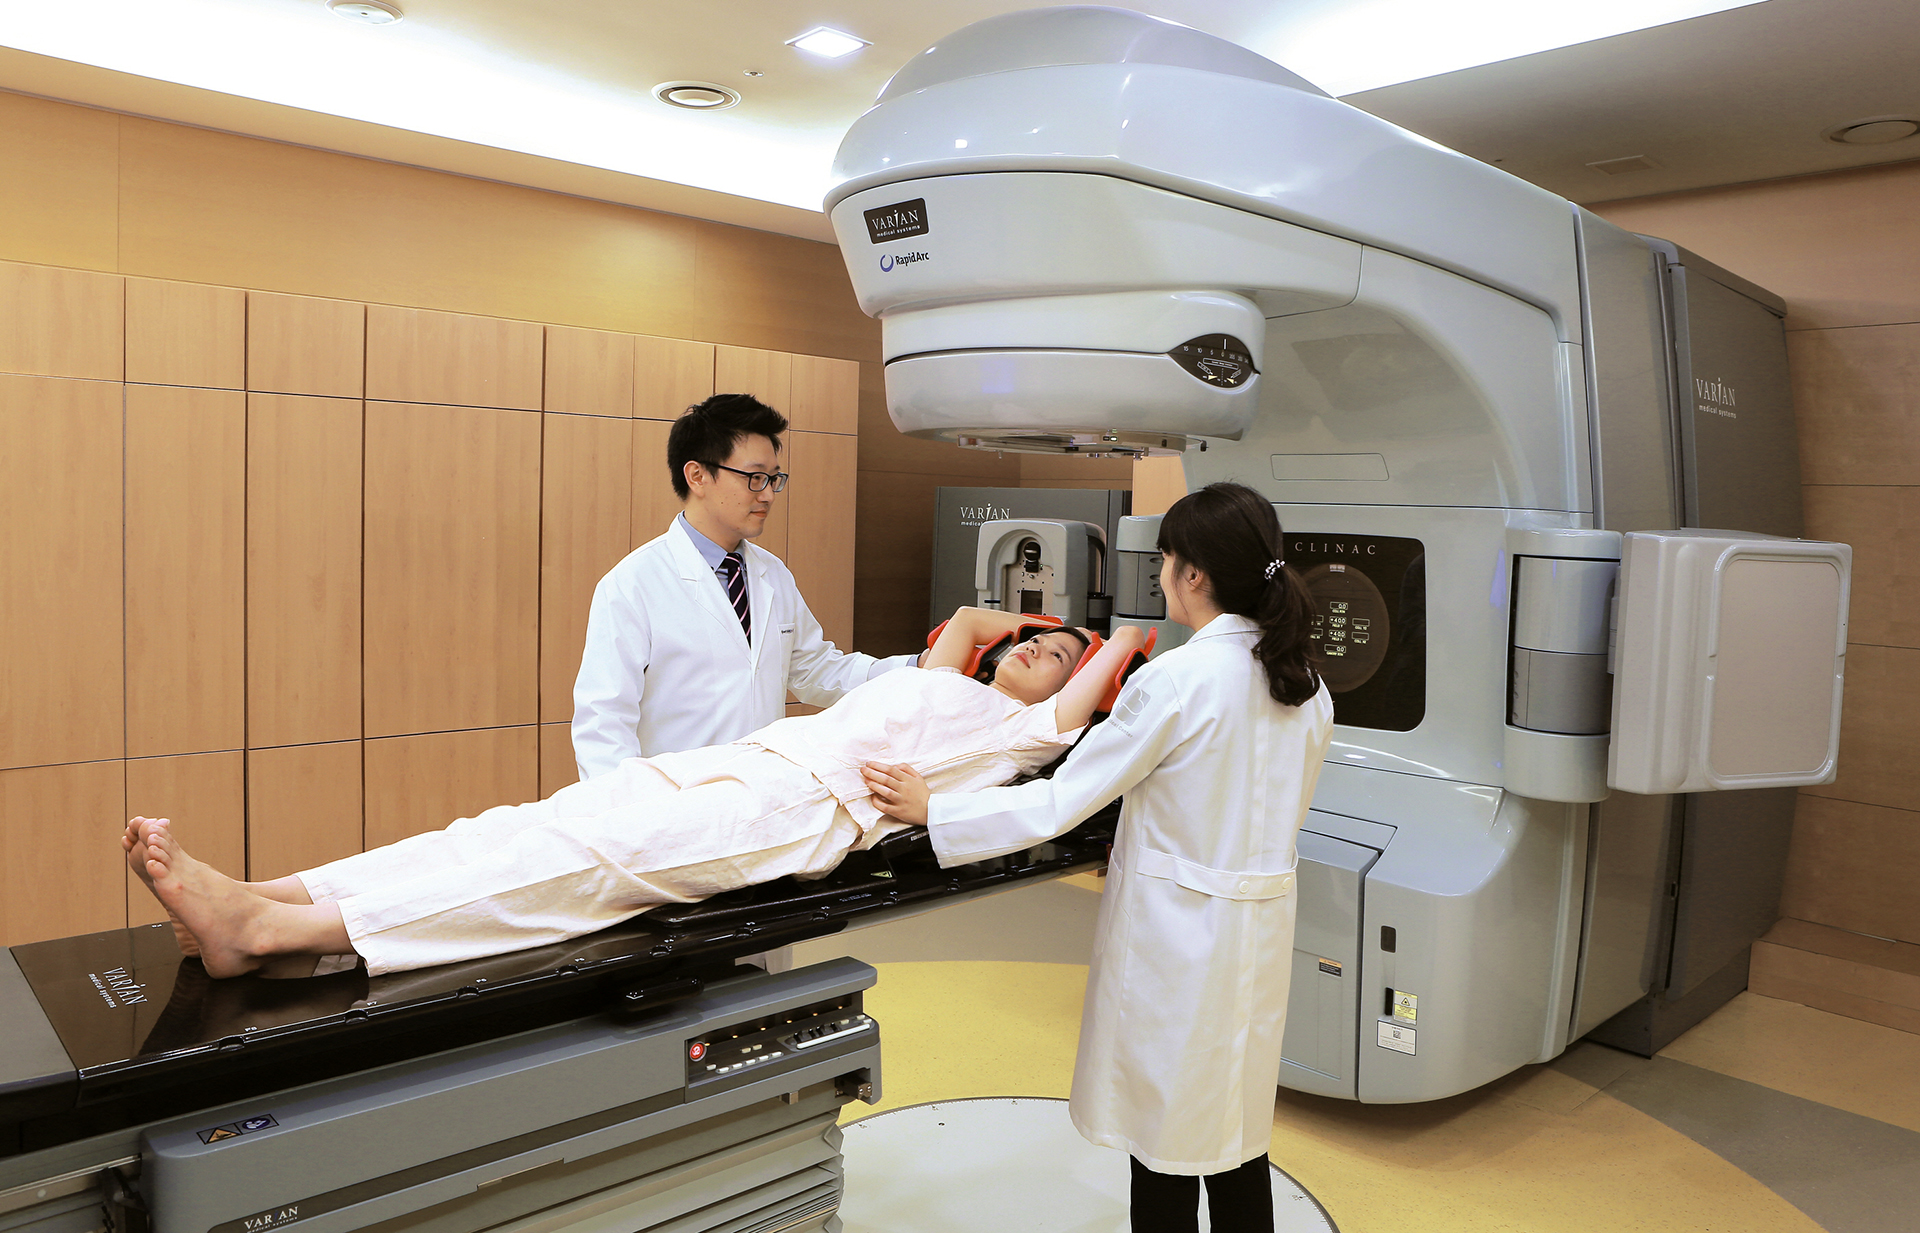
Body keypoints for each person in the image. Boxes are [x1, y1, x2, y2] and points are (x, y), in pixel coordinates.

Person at [124, 609, 1141, 981]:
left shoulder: (1019, 735)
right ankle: (275, 893)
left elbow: (1104, 673)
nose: (1041, 653)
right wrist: (1031, 627)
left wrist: (1115, 639)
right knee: (514, 825)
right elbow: (967, 618)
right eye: (1035, 642)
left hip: (792, 812)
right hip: (740, 760)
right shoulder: (944, 676)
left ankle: (276, 934)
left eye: (1061, 658)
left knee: (561, 866)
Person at [862, 482, 1334, 1233]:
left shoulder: (1177, 680)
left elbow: (1060, 800)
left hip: (1179, 939)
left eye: (1166, 559)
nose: (1161, 574)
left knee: (1162, 1137)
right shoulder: (1306, 683)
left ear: (1194, 574)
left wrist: (936, 810)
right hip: (1255, 937)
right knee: (1235, 1131)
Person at [571, 393, 917, 782]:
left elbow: (815, 670)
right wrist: (628, 807)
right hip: (677, 799)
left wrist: (913, 668)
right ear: (697, 476)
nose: (767, 494)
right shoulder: (633, 584)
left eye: (773, 479)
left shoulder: (773, 574)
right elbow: (603, 723)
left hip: (759, 793)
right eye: (754, 478)